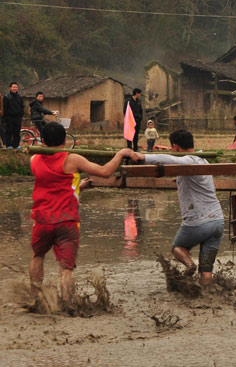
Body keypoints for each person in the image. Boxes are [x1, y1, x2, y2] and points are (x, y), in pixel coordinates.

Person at [29, 122, 132, 305]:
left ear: (42, 141)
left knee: (38, 257)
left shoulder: (34, 159)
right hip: (67, 222)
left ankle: (34, 298)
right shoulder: (72, 159)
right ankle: (68, 305)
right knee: (66, 268)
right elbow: (106, 171)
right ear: (65, 140)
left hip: (42, 221)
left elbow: (54, 186)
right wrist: (121, 154)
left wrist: (79, 187)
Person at [130, 130, 224, 285]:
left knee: (177, 248)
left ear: (175, 147)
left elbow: (169, 159)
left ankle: (190, 265)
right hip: (217, 223)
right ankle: (209, 295)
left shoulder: (189, 161)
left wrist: (143, 156)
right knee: (207, 271)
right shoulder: (203, 160)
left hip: (198, 222)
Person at [3, 82, 24, 149]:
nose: (15, 88)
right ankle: (8, 145)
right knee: (9, 131)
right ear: (10, 88)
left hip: (18, 117)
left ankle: (16, 145)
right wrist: (5, 118)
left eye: (16, 87)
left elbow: (22, 106)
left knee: (17, 131)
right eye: (13, 87)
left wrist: (21, 114)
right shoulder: (6, 97)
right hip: (9, 117)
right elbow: (4, 108)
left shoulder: (19, 97)